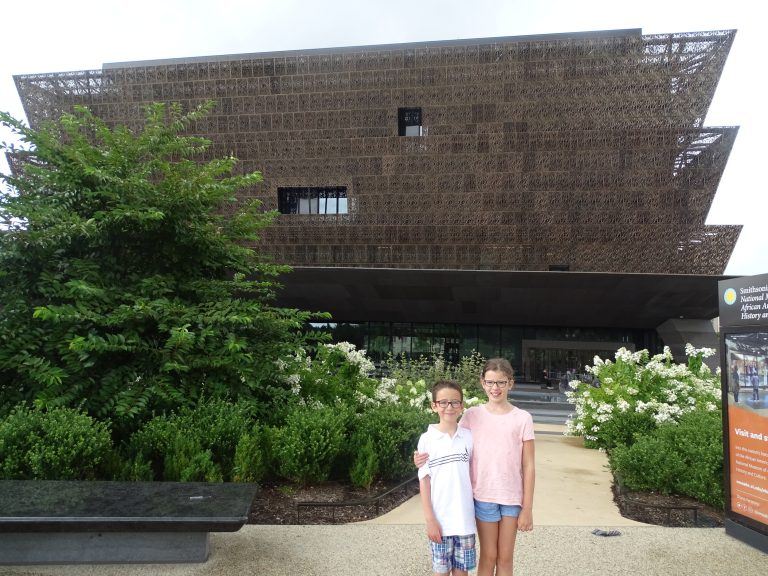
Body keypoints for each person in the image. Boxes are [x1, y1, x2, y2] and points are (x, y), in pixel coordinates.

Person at [415, 358, 535, 576]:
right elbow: (451, 440)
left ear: (511, 383)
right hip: (483, 497)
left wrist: (527, 508)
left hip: (512, 498)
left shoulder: (523, 418)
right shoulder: (472, 416)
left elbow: (529, 465)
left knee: (506, 558)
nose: (495, 388)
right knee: (488, 556)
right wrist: (422, 458)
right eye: (490, 382)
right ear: (482, 383)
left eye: (501, 382)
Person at [417, 380, 477, 576]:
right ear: (434, 405)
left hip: (465, 520)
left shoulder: (469, 436)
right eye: (443, 402)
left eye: (454, 402)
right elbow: (424, 481)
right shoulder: (427, 439)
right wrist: (430, 520)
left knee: (462, 573)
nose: (449, 407)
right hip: (440, 521)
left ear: (462, 405)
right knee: (441, 572)